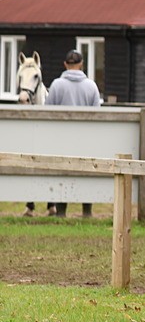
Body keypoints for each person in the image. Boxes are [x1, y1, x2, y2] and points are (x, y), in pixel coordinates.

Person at [45, 49, 102, 217]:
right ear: (82, 64)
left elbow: (47, 112)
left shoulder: (56, 85)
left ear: (65, 64)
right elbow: (98, 114)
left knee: (62, 172)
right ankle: (87, 211)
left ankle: (61, 211)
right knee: (87, 172)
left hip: (61, 139)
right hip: (86, 139)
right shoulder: (91, 86)